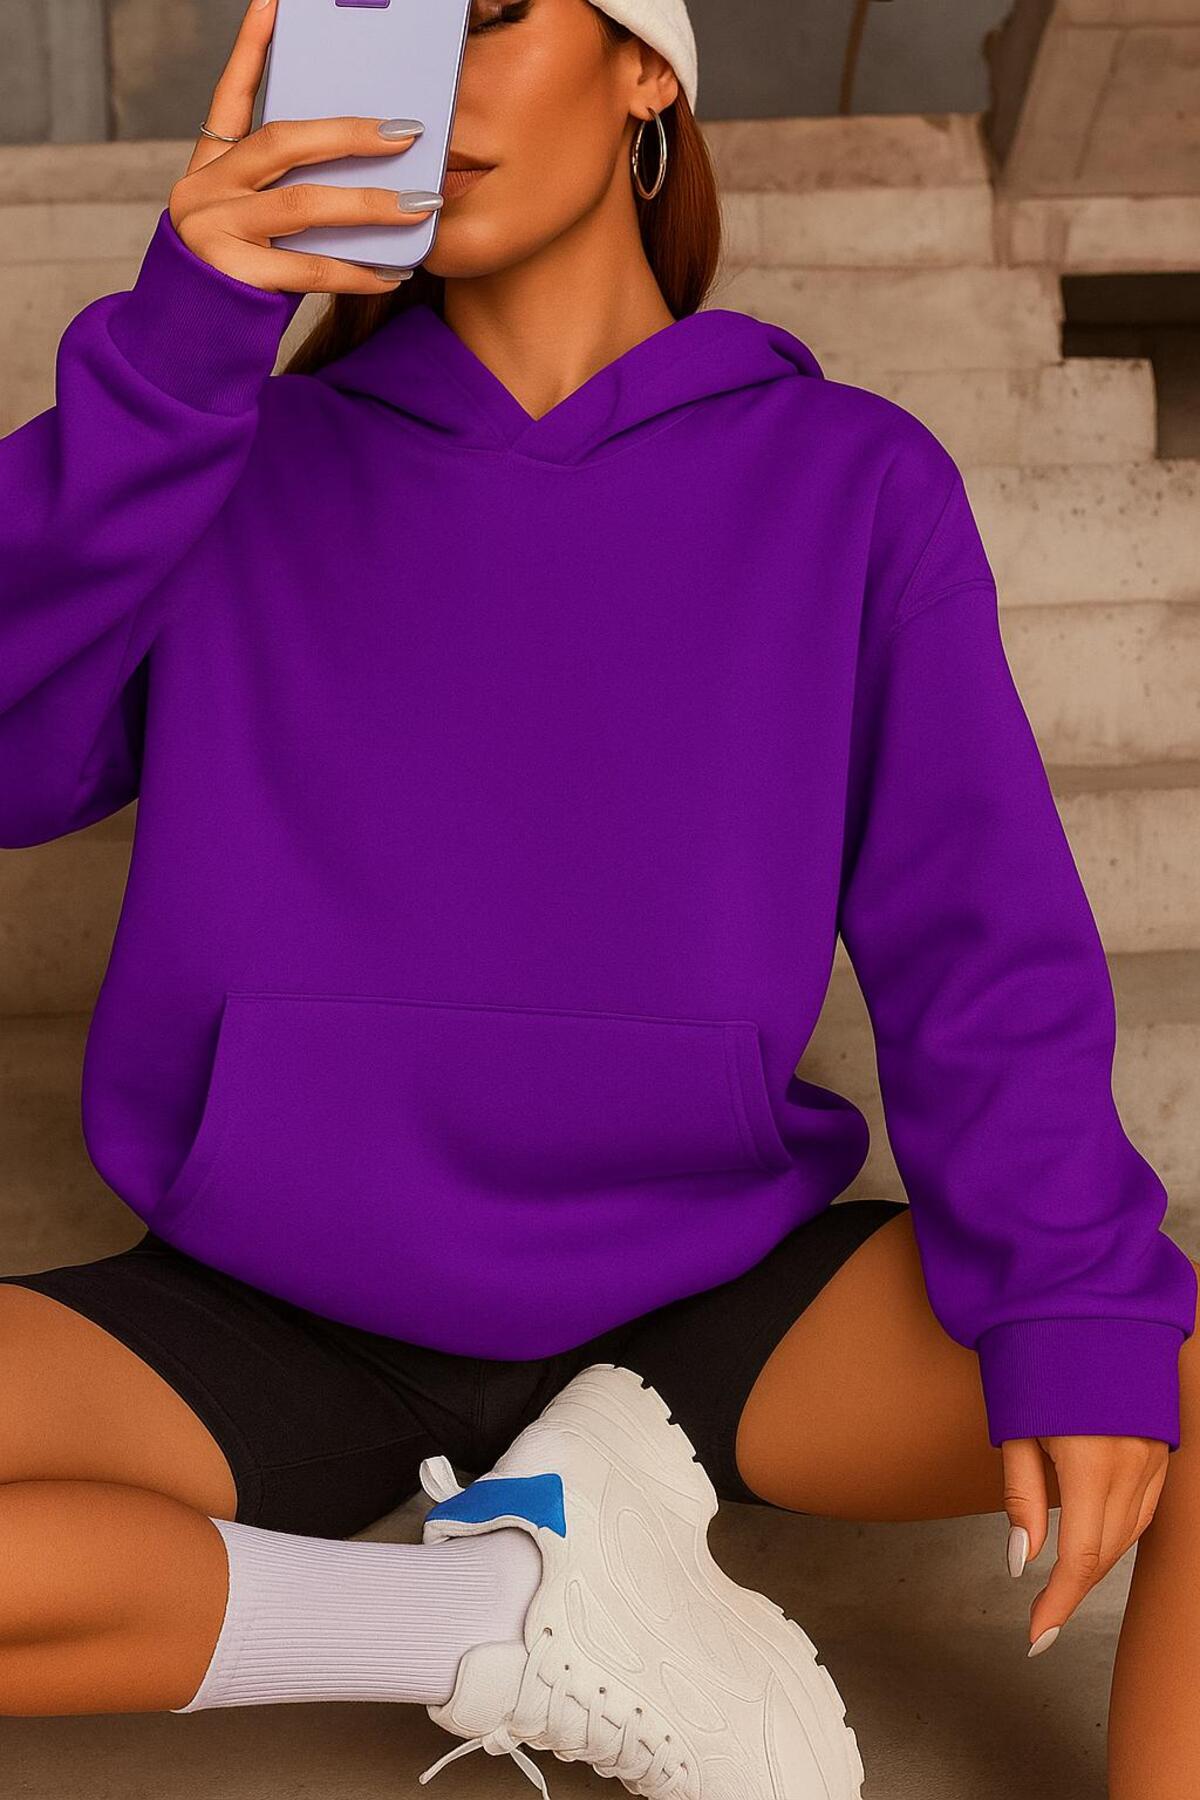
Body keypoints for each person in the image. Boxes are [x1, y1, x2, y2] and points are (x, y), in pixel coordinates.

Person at [0, 0, 1195, 1793]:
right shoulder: (221, 450)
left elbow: (980, 944)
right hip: (270, 1305)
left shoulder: (850, 480)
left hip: (704, 1304)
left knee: (1170, 1366)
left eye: (490, 14)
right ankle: (475, 1620)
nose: (435, 80)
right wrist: (180, 349)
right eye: (389, 20)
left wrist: (1071, 1304)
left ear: (648, 67)